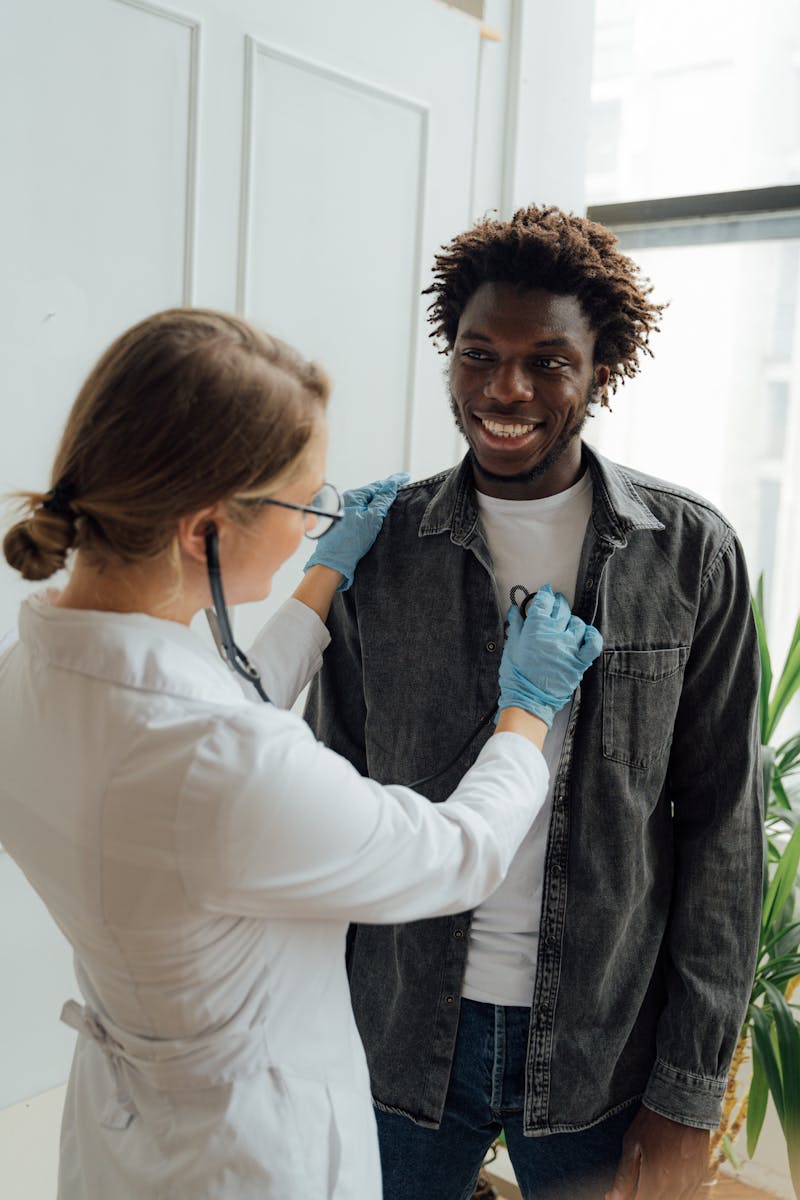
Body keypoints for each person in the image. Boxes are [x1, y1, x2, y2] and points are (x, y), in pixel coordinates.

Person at [0, 308, 603, 1200]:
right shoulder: (220, 758)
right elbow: (457, 854)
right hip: (248, 1155)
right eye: (304, 504)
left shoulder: (33, 677)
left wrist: (322, 581)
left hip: (130, 1129)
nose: (314, 524)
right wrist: (528, 707)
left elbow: (200, 727)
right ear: (205, 533)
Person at [305, 205, 763, 1200]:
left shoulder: (689, 554)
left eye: (546, 362)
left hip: (600, 1044)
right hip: (393, 1032)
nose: (504, 389)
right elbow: (325, 797)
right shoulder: (379, 552)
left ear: (601, 371)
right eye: (478, 355)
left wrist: (687, 1093)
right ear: (450, 357)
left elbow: (722, 827)